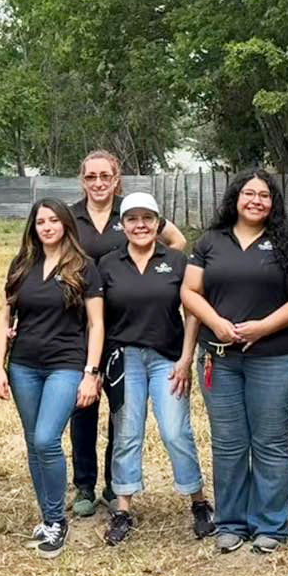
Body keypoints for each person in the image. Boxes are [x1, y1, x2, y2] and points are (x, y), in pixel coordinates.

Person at [181, 170, 288, 555]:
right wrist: (217, 324)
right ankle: (231, 522)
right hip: (220, 359)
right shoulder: (210, 241)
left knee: (270, 442)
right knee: (228, 443)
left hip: (276, 358)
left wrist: (261, 328)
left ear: (274, 202)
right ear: (235, 198)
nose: (256, 200)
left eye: (264, 195)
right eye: (248, 193)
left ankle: (271, 525)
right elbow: (190, 291)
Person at [67, 150, 187, 517]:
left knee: (122, 412)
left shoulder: (133, 212)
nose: (99, 183)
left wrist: (151, 271)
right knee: (83, 406)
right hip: (81, 324)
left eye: (106, 176)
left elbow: (178, 242)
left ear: (117, 178)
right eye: (91, 177)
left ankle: (112, 481)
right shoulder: (71, 217)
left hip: (126, 327)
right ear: (82, 179)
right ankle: (85, 485)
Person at [98, 192, 215, 546]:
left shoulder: (177, 261)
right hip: (125, 358)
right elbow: (96, 317)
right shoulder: (107, 263)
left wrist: (185, 358)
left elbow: (192, 311)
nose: (140, 225)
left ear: (158, 222)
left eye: (147, 218)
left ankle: (198, 501)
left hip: (168, 357)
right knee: (127, 432)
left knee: (175, 431)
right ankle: (122, 508)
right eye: (132, 219)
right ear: (122, 224)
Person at [0, 198, 105, 558]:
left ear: (66, 224)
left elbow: (96, 324)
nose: (47, 227)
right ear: (34, 227)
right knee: (33, 442)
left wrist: (91, 373)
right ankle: (47, 517)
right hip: (24, 365)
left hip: (66, 364)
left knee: (46, 439)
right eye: (41, 221)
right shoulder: (23, 263)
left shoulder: (84, 267)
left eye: (54, 220)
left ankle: (56, 520)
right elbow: (5, 316)